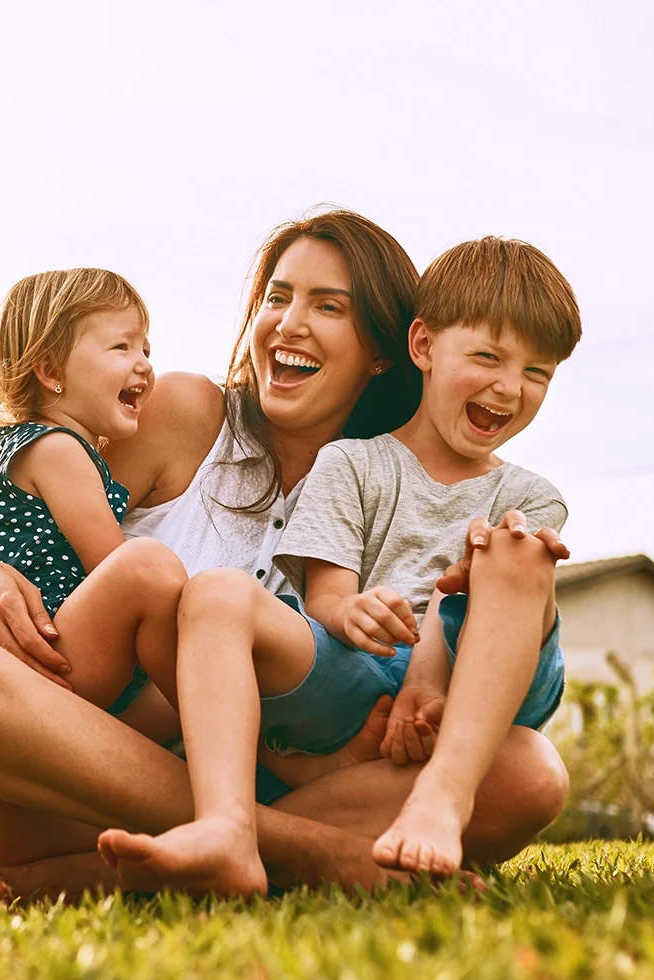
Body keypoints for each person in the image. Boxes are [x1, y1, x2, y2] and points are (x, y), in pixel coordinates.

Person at [0, 210, 570, 902]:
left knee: (527, 772)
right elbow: (5, 500)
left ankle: (131, 866)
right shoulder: (183, 414)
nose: (288, 322)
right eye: (277, 297)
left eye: (328, 306)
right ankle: (296, 851)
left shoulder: (401, 488)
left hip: (284, 789)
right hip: (56, 782)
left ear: (384, 351)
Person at [97, 237, 580, 896]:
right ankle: (226, 829)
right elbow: (325, 596)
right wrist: (348, 610)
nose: (508, 387)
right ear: (423, 348)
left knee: (512, 553)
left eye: (537, 374)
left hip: (482, 683)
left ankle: (441, 798)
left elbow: (481, 605)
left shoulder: (529, 495)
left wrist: (433, 677)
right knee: (216, 594)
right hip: (364, 674)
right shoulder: (352, 463)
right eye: (488, 357)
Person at [0, 267, 183, 718]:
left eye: (146, 348)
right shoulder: (60, 450)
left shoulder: (21, 444)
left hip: (47, 654)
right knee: (148, 566)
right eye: (122, 346)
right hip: (57, 652)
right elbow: (113, 564)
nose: (143, 363)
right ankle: (209, 708)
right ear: (49, 370)